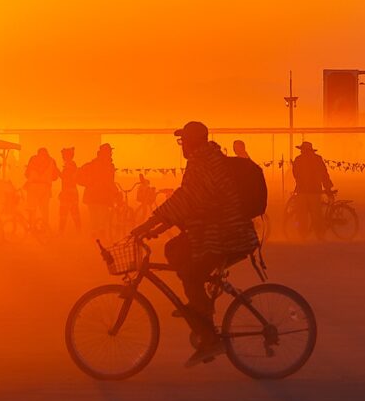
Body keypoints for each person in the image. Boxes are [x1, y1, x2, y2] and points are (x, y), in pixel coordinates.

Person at [131, 121, 266, 362]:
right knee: (174, 249)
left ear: (193, 141)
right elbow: (192, 202)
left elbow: (186, 199)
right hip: (217, 231)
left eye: (183, 140)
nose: (181, 145)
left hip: (226, 235)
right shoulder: (209, 159)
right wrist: (161, 226)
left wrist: (150, 223)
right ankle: (201, 308)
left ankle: (208, 331)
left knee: (192, 272)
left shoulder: (202, 163)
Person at [289, 140, 333, 235]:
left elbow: (295, 174)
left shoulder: (298, 160)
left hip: (302, 191)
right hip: (315, 191)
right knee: (317, 215)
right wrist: (328, 187)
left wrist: (301, 182)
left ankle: (303, 235)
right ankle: (320, 235)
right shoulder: (317, 159)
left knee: (302, 215)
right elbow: (324, 174)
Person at [80, 143, 119, 234]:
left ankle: (94, 239)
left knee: (94, 219)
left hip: (91, 196)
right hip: (102, 196)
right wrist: (116, 192)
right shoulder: (108, 166)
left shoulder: (92, 164)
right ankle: (101, 239)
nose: (111, 153)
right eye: (109, 152)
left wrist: (88, 183)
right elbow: (109, 181)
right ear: (106, 153)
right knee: (102, 219)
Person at [23, 146, 57, 228]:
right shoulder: (51, 161)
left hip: (32, 187)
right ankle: (44, 228)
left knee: (32, 209)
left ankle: (31, 227)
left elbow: (26, 174)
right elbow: (55, 177)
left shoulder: (32, 159)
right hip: (45, 188)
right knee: (45, 210)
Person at [57, 145, 81, 235]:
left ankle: (61, 232)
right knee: (72, 212)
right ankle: (78, 231)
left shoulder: (70, 165)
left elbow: (66, 179)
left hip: (68, 192)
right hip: (70, 191)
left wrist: (58, 172)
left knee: (65, 213)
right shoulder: (71, 164)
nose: (63, 157)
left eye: (64, 155)